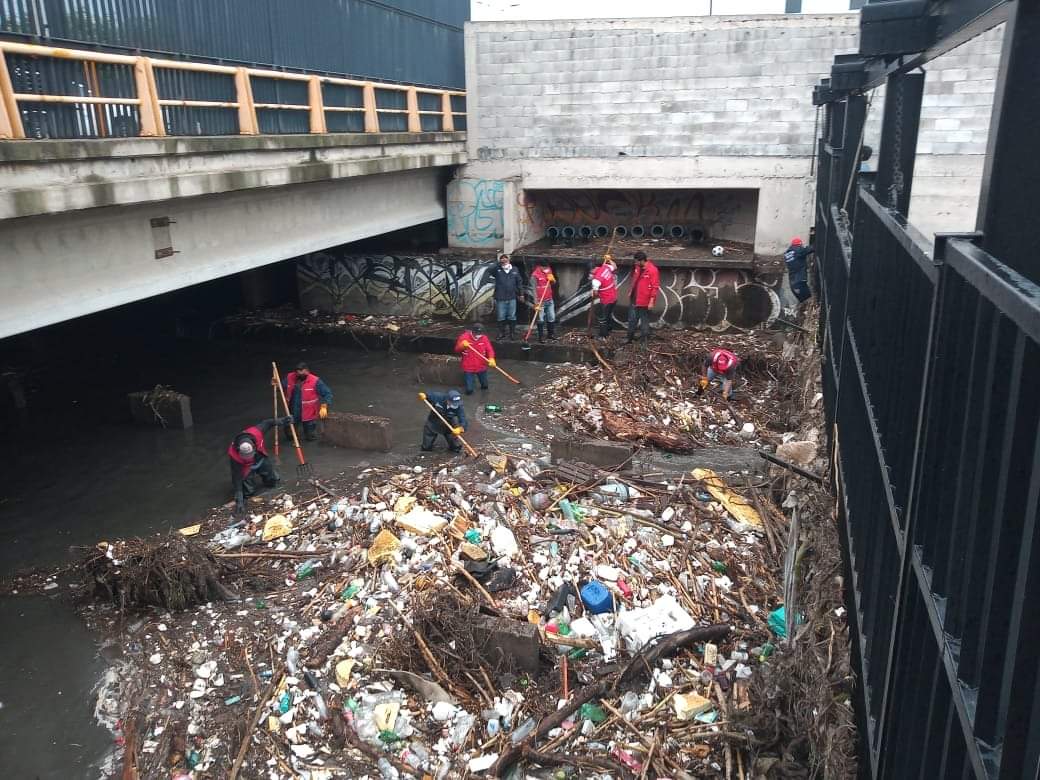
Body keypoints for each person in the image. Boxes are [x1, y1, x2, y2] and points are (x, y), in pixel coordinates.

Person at [228, 416, 293, 513]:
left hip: (260, 458)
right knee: (248, 492)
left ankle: (270, 481)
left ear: (253, 447)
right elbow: (236, 477)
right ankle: (248, 494)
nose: (248, 456)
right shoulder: (234, 455)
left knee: (272, 480)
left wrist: (281, 421)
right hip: (246, 467)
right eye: (246, 456)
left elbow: (267, 423)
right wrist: (239, 500)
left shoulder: (256, 432)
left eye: (249, 455)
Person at [282, 362, 333, 442]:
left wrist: (324, 406)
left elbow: (327, 393)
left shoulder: (315, 381)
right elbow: (281, 386)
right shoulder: (290, 377)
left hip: (309, 413)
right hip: (292, 411)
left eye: (301, 372)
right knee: (289, 434)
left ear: (307, 371)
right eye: (297, 373)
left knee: (310, 436)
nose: (299, 375)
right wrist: (275, 383)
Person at [626, 251, 660, 345]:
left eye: (636, 261)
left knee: (644, 320)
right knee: (632, 319)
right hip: (634, 299)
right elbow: (634, 280)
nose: (635, 263)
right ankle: (629, 338)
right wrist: (630, 291)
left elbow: (655, 287)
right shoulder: (638, 267)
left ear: (642, 261)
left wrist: (651, 301)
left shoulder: (653, 270)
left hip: (644, 301)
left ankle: (644, 341)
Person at [454, 323, 496, 394]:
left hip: (481, 366)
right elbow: (456, 350)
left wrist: (491, 358)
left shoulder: (484, 338)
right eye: (477, 334)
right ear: (472, 332)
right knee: (469, 390)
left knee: (485, 386)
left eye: (480, 334)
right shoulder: (464, 337)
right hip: (468, 367)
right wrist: (462, 346)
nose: (478, 336)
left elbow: (490, 349)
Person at [490, 253, 524, 340]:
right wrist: (498, 263)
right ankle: (502, 333)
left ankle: (512, 333)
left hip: (512, 297)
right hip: (500, 298)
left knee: (512, 316)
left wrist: (521, 294)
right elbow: (489, 270)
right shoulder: (497, 270)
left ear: (509, 260)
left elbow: (519, 282)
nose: (504, 260)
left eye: (506, 259)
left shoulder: (514, 269)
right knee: (501, 316)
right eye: (502, 259)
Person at [590, 254, 618, 338]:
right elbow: (615, 266)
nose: (591, 273)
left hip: (606, 300)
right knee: (608, 315)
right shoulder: (605, 267)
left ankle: (603, 335)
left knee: (603, 318)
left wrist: (594, 292)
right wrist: (609, 260)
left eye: (591, 271)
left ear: (594, 268)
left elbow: (595, 293)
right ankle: (609, 330)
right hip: (614, 297)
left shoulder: (596, 280)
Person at [530, 261, 558, 342]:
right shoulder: (534, 275)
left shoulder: (549, 270)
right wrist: (536, 303)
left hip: (549, 299)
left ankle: (550, 335)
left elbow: (553, 283)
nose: (546, 269)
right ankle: (541, 337)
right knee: (541, 319)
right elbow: (533, 290)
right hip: (540, 301)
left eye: (547, 267)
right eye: (544, 267)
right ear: (540, 266)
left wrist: (552, 279)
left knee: (552, 317)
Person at [784, 237, 814, 303]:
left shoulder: (787, 254)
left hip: (793, 284)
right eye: (801, 245)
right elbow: (809, 249)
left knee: (803, 302)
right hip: (799, 281)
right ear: (799, 245)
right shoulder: (798, 250)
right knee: (809, 301)